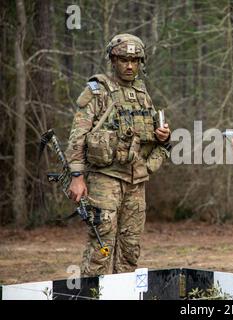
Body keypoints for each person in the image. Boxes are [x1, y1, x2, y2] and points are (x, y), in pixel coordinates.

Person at [65, 34, 171, 276]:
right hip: (105, 179)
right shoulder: (97, 91)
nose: (130, 65)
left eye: (135, 60)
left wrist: (163, 135)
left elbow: (151, 135)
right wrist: (77, 176)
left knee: (130, 249)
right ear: (113, 59)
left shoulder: (142, 94)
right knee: (101, 246)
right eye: (124, 59)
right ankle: (94, 293)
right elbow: (78, 135)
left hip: (136, 181)